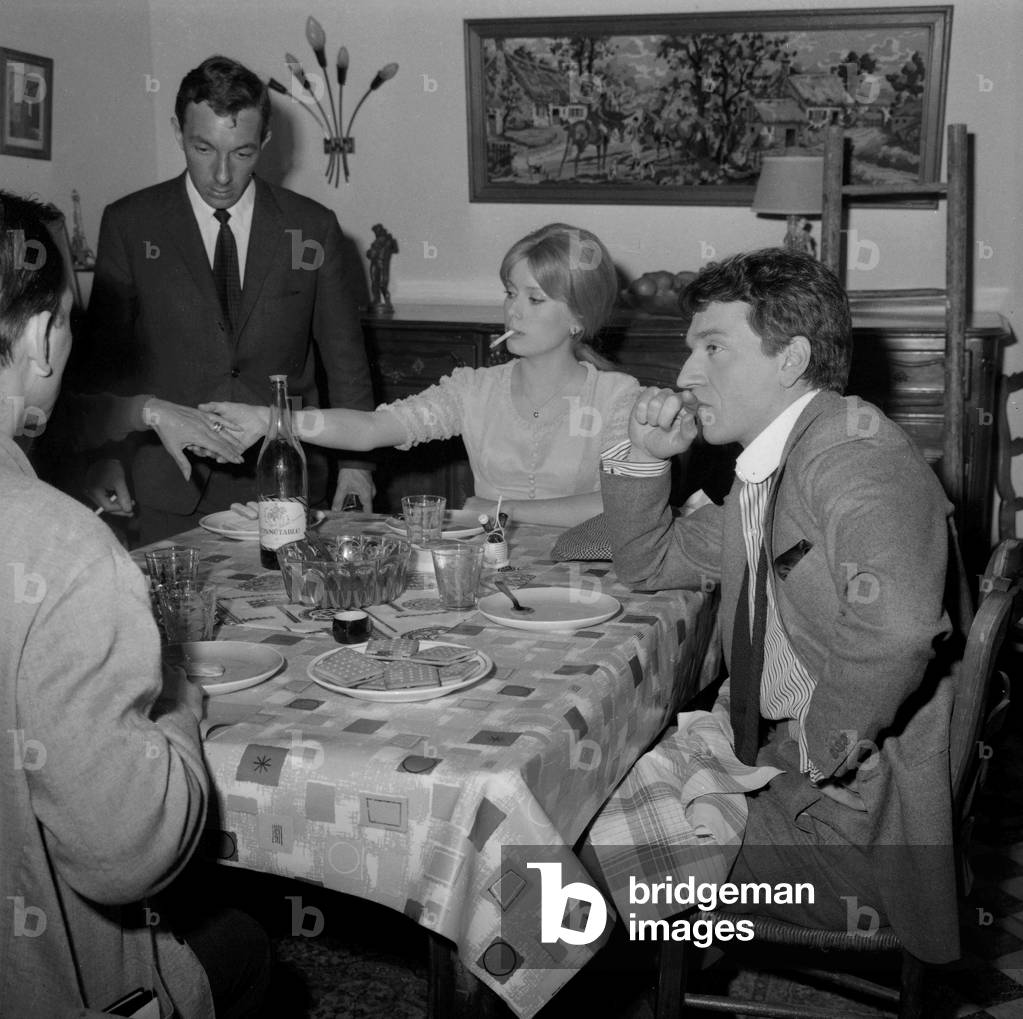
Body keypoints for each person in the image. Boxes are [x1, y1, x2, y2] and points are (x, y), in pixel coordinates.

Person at [591, 248, 959, 964]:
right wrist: (644, 456)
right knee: (594, 788)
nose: (686, 373)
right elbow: (649, 559)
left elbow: (901, 624)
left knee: (557, 840)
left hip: (855, 830)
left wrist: (816, 758)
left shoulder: (855, 456)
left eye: (713, 349)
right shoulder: (773, 464)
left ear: (789, 359)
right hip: (784, 767)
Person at [0, 192, 269, 1016]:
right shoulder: (64, 549)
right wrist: (177, 690)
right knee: (249, 950)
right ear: (44, 336)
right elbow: (129, 851)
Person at [80, 54, 375, 543]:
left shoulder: (313, 227)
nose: (221, 174)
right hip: (166, 486)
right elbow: (104, 365)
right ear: (178, 132)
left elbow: (346, 362)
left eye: (241, 153)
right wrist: (103, 457)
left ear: (264, 141)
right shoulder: (130, 224)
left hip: (288, 482)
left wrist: (357, 465)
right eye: (202, 148)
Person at [202, 223, 641, 527]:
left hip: (584, 578)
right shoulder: (473, 389)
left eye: (535, 299)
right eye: (510, 293)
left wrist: (497, 508)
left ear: (579, 317)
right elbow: (372, 428)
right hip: (490, 571)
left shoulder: (617, 396)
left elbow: (621, 505)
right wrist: (273, 421)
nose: (513, 310)